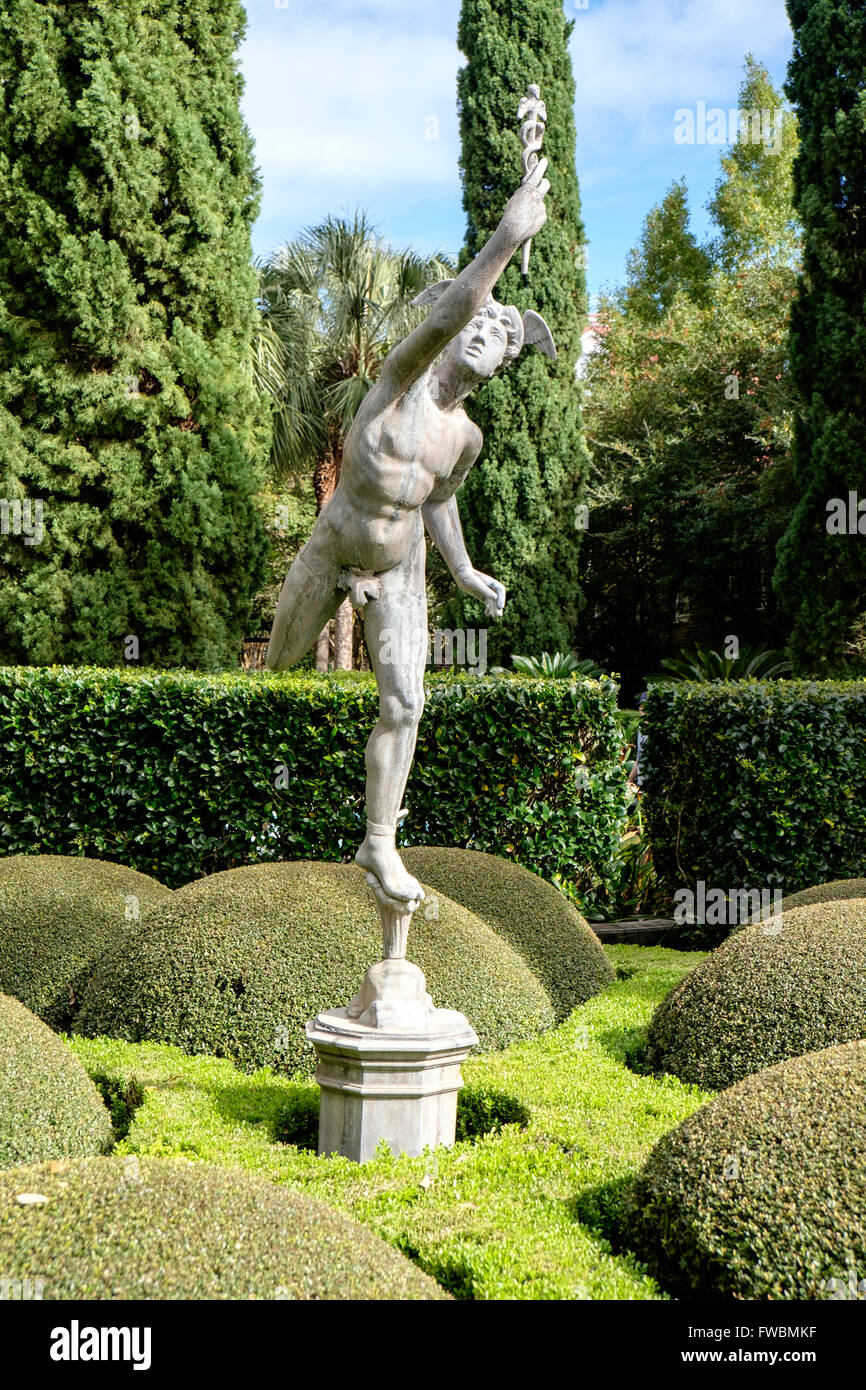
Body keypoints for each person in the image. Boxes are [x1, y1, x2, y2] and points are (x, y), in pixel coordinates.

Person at [266, 157, 552, 902]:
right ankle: (263, 819)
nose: (494, 336)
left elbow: (436, 501)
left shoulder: (466, 439)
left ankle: (378, 843)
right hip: (333, 553)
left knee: (407, 704)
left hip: (399, 572)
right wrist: (504, 239)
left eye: (509, 339)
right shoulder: (398, 386)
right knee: (274, 674)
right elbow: (450, 309)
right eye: (485, 324)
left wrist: (460, 570)